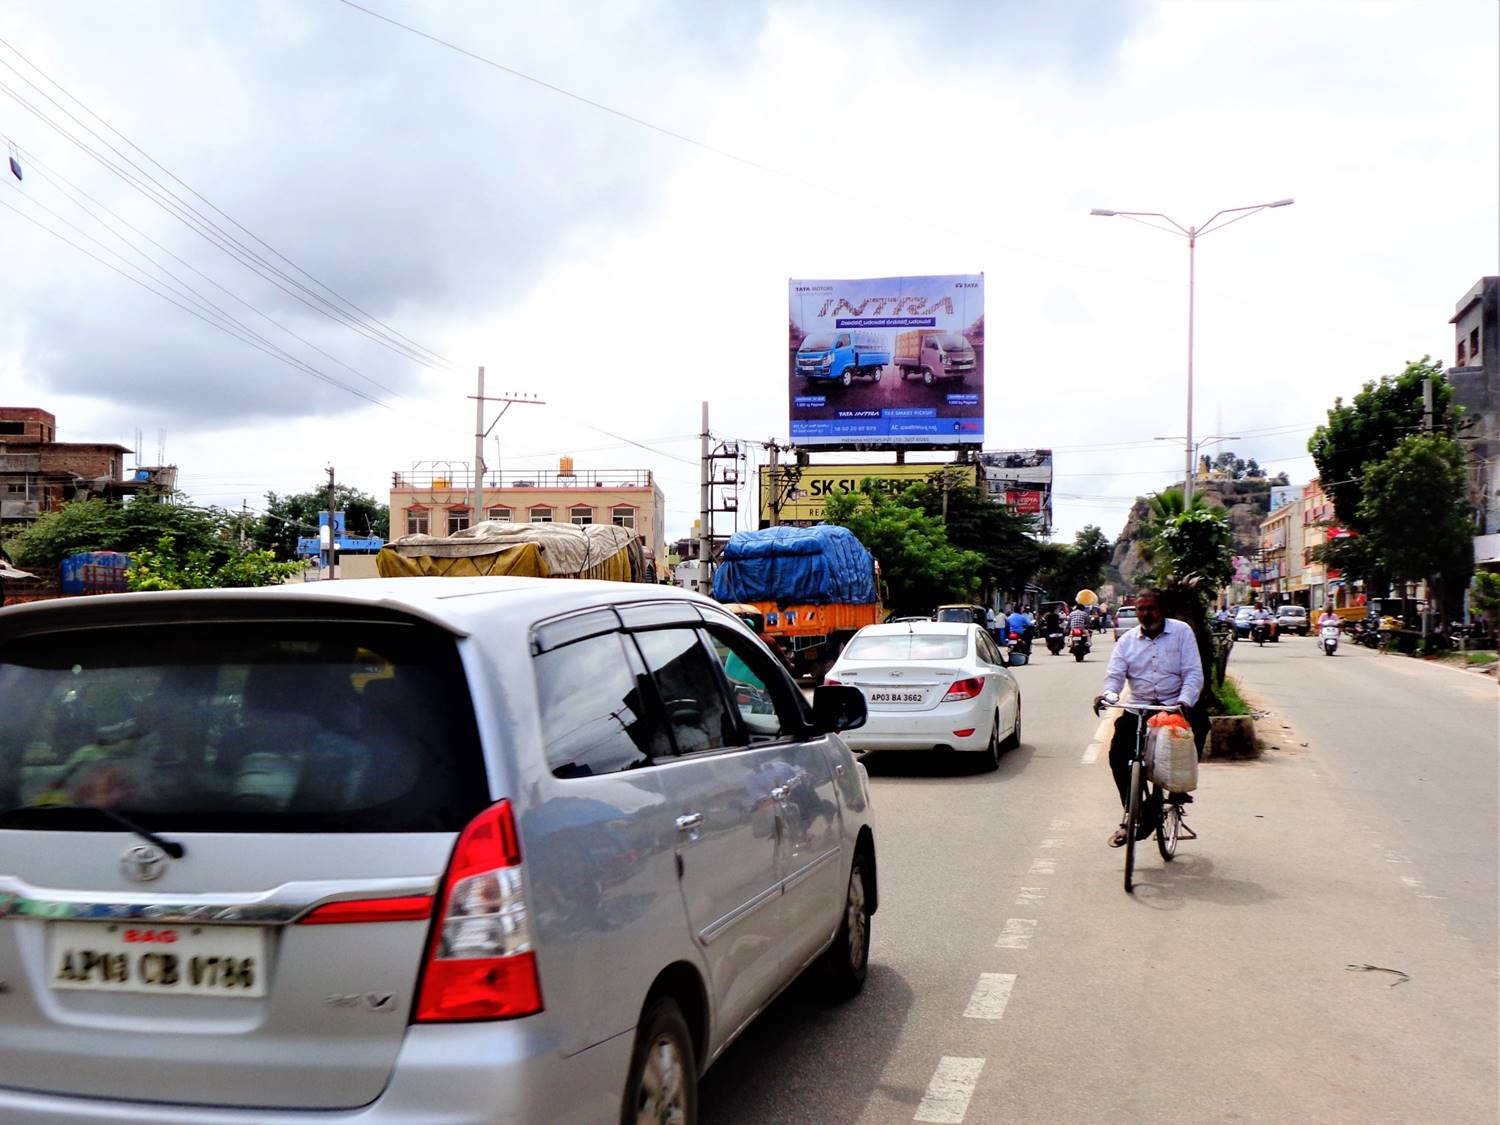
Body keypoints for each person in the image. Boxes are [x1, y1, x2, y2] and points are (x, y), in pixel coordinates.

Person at [1091, 589, 1204, 848]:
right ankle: (1133, 812)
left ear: (1162, 609)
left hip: (1174, 707)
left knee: (1200, 725)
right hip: (1139, 708)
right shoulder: (1127, 641)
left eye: (1150, 608)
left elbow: (1193, 673)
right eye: (1141, 609)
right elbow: (1115, 677)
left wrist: (1184, 701)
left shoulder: (1181, 632)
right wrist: (1108, 695)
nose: (1145, 614)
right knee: (1118, 754)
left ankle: (1178, 786)